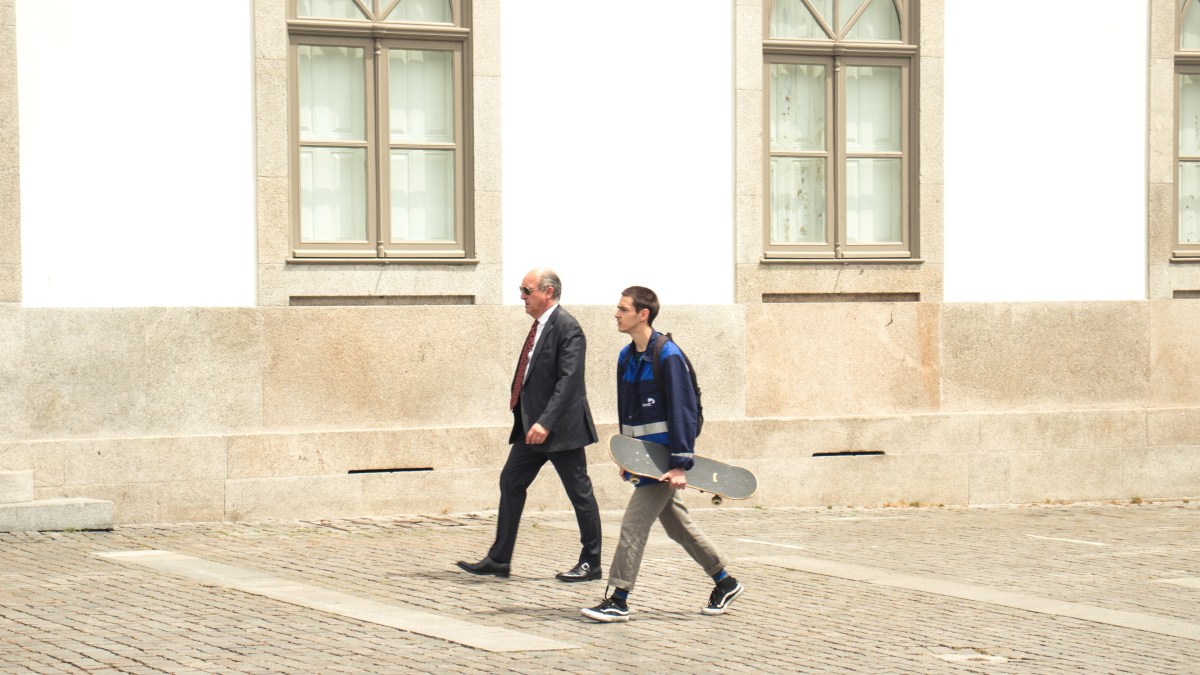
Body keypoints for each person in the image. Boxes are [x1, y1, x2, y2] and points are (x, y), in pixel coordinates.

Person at [581, 286, 744, 623]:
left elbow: (683, 412)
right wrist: (628, 460)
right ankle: (724, 581)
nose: (616, 313)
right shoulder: (626, 357)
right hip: (645, 461)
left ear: (643, 314)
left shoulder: (668, 355)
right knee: (677, 526)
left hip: (666, 462)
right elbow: (627, 412)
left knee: (633, 526)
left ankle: (619, 598)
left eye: (623, 308)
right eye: (618, 307)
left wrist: (680, 465)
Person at [457, 269, 603, 582]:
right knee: (511, 482)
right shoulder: (539, 327)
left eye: (527, 290)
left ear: (548, 292)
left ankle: (592, 561)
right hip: (531, 429)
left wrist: (546, 422)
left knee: (579, 493)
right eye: (522, 291)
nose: (522, 297)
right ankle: (499, 559)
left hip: (559, 430)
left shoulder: (568, 328)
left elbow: (569, 382)